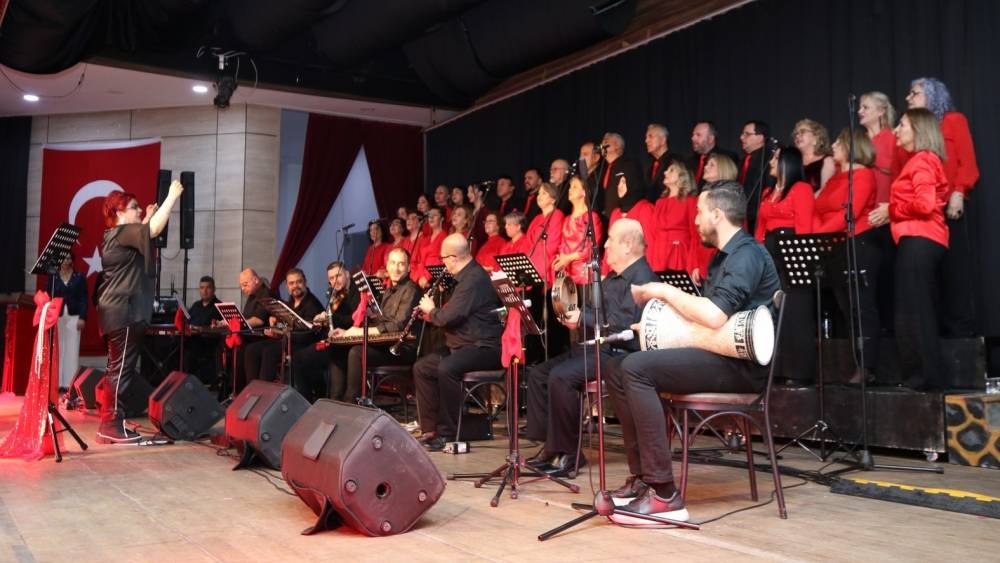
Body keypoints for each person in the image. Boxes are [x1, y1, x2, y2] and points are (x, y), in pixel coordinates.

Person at [603, 181, 780, 523]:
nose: (695, 220)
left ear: (717, 215)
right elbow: (707, 323)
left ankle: (664, 493)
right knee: (617, 366)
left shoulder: (747, 254)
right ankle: (643, 477)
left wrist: (663, 291)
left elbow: (713, 316)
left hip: (741, 366)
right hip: (718, 355)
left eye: (699, 212)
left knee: (636, 367)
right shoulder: (723, 257)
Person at [525, 219, 657, 477]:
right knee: (538, 374)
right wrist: (572, 314)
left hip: (619, 354)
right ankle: (551, 445)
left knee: (561, 377)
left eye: (610, 239)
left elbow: (624, 326)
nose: (605, 245)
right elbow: (592, 311)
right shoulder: (613, 278)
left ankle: (570, 454)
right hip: (596, 348)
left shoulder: (643, 279)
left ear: (628, 245)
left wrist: (583, 318)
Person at [96, 180, 183, 443]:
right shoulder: (122, 232)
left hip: (119, 311)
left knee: (118, 368)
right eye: (134, 207)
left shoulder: (117, 236)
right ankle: (110, 425)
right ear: (119, 212)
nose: (138, 210)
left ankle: (112, 422)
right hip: (124, 311)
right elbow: (153, 230)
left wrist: (146, 218)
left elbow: (145, 232)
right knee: (120, 370)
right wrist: (172, 197)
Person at [413, 234, 503, 451]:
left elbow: (448, 318)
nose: (443, 263)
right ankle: (430, 430)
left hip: (484, 347)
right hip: (463, 345)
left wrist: (431, 310)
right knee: (422, 367)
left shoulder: (473, 280)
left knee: (447, 368)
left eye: (443, 259)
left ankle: (448, 433)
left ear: (453, 258)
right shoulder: (465, 277)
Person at [905, 77, 980, 337]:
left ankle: (961, 336)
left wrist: (959, 192)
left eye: (914, 93)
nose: (908, 98)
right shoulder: (913, 130)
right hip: (923, 210)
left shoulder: (954, 121)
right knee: (928, 276)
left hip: (948, 206)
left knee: (955, 271)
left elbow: (968, 163)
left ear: (933, 96)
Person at [813, 128, 880, 383]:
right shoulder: (836, 178)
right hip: (835, 247)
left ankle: (867, 366)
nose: (833, 146)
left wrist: (817, 235)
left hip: (857, 244)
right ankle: (855, 364)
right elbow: (818, 207)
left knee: (860, 307)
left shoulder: (863, 175)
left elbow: (848, 214)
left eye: (838, 142)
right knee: (845, 308)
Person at [891, 108, 950, 390]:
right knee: (912, 309)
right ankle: (919, 377)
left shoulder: (923, 160)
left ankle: (925, 379)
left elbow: (925, 204)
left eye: (901, 125)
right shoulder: (922, 160)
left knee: (915, 311)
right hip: (920, 240)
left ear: (917, 129)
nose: (896, 130)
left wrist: (892, 210)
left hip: (920, 239)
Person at [326, 248, 422, 403]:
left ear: (409, 267)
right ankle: (336, 400)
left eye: (401, 264)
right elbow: (380, 321)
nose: (396, 268)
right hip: (385, 344)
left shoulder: (412, 290)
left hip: (401, 349)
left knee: (357, 352)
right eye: (392, 263)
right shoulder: (388, 290)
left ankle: (351, 401)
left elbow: (397, 326)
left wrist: (356, 333)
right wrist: (348, 331)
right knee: (338, 349)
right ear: (387, 266)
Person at [755, 146, 815, 383]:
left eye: (776, 158)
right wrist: (757, 254)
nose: (771, 161)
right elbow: (760, 228)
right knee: (770, 310)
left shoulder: (801, 189)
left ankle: (798, 371)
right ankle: (774, 369)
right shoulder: (768, 191)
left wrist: (800, 258)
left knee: (794, 312)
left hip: (791, 251)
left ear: (787, 163)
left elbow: (804, 226)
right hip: (769, 253)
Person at [859, 91, 901, 333]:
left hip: (886, 216)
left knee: (887, 277)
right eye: (860, 107)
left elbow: (901, 177)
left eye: (866, 107)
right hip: (863, 219)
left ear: (881, 111)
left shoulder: (892, 138)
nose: (860, 112)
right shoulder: (859, 141)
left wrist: (891, 209)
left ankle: (890, 330)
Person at [291, 261, 361, 401]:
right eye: (331, 278)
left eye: (338, 276)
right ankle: (309, 401)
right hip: (333, 341)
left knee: (305, 359)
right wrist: (322, 319)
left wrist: (330, 318)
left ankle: (320, 397)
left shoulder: (358, 292)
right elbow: (333, 319)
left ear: (347, 274)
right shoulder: (336, 294)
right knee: (298, 358)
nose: (335, 281)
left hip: (349, 343)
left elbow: (355, 319)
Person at [243, 268, 325, 388]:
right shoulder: (291, 301)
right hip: (289, 340)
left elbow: (306, 334)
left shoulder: (312, 304)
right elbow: (286, 325)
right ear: (287, 285)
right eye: (291, 283)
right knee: (252, 350)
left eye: (299, 282)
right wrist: (276, 325)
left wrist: (281, 332)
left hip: (303, 344)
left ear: (305, 282)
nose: (295, 286)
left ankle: (265, 392)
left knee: (269, 352)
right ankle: (252, 389)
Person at [688, 152, 739, 285]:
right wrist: (695, 264)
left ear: (723, 169)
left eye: (711, 165)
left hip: (722, 263)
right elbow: (694, 236)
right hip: (701, 262)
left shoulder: (732, 200)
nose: (705, 167)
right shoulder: (700, 199)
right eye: (706, 164)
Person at [553, 176, 604, 286]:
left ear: (584, 192)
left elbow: (591, 248)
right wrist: (561, 259)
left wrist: (568, 258)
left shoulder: (592, 217)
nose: (570, 190)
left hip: (586, 273)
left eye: (575, 187)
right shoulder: (567, 220)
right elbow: (563, 245)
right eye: (570, 187)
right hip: (568, 274)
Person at [649, 161, 698, 272]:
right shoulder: (660, 203)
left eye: (671, 170)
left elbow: (695, 236)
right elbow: (653, 235)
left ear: (683, 175)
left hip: (679, 256)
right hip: (659, 256)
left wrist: (694, 264)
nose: (665, 172)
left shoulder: (690, 201)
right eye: (666, 170)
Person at [604, 168, 654, 275]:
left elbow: (649, 245)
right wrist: (604, 272)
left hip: (636, 273)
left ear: (632, 183)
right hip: (614, 273)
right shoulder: (616, 212)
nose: (619, 186)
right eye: (619, 182)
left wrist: (646, 273)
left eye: (623, 182)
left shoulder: (645, 209)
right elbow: (609, 245)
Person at [51, 251, 88, 391]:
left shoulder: (79, 277)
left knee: (72, 349)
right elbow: (49, 295)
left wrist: (83, 317)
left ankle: (69, 384)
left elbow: (84, 299)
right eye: (64, 258)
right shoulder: (54, 277)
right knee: (59, 348)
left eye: (68, 258)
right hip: (57, 316)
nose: (66, 261)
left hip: (74, 317)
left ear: (72, 260)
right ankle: (57, 383)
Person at [184, 275, 223, 384]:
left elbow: (222, 328)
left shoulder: (219, 306)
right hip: (191, 339)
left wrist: (201, 329)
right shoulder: (195, 305)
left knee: (188, 350)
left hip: (209, 343)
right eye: (202, 288)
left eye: (208, 288)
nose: (204, 291)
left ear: (214, 289)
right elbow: (187, 321)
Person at [738, 120, 776, 232]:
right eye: (742, 134)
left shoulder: (770, 159)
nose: (741, 137)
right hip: (741, 217)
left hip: (758, 218)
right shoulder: (743, 161)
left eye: (747, 134)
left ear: (760, 138)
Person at [526, 183, 564, 286]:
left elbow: (552, 245)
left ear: (553, 199)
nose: (539, 196)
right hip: (532, 263)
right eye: (539, 193)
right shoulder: (536, 218)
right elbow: (528, 242)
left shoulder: (557, 215)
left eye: (544, 193)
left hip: (546, 265)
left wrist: (536, 265)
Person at [689, 121, 738, 186]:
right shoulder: (690, 161)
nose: (693, 138)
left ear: (710, 139)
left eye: (698, 135)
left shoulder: (726, 158)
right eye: (693, 135)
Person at [792, 118, 836, 191]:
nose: (797, 136)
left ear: (816, 137)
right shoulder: (793, 162)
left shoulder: (827, 161)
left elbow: (825, 191)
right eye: (796, 134)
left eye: (802, 132)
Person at [412, 207, 447, 288]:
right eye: (429, 215)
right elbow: (421, 261)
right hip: (422, 280)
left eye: (434, 215)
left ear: (442, 218)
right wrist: (421, 277)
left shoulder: (444, 237)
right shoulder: (426, 239)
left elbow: (441, 260)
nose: (431, 217)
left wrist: (427, 277)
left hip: (435, 278)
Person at [644, 123, 680, 200]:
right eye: (646, 137)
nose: (646, 141)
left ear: (663, 140)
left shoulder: (675, 161)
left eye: (650, 136)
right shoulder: (651, 167)